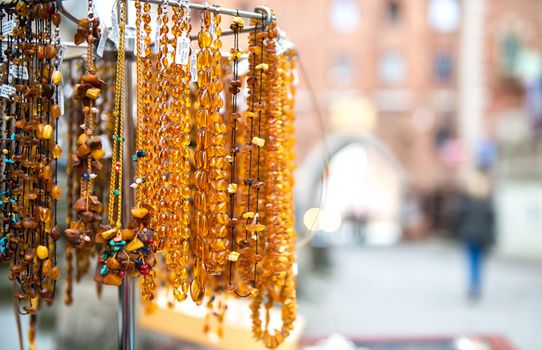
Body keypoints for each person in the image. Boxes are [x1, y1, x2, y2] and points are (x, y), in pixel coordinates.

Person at [452, 171, 495, 300]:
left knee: (472, 260)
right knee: (479, 261)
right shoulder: (487, 203)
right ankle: (476, 283)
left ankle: (473, 284)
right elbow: (491, 222)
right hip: (482, 237)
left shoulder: (466, 203)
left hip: (469, 236)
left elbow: (457, 219)